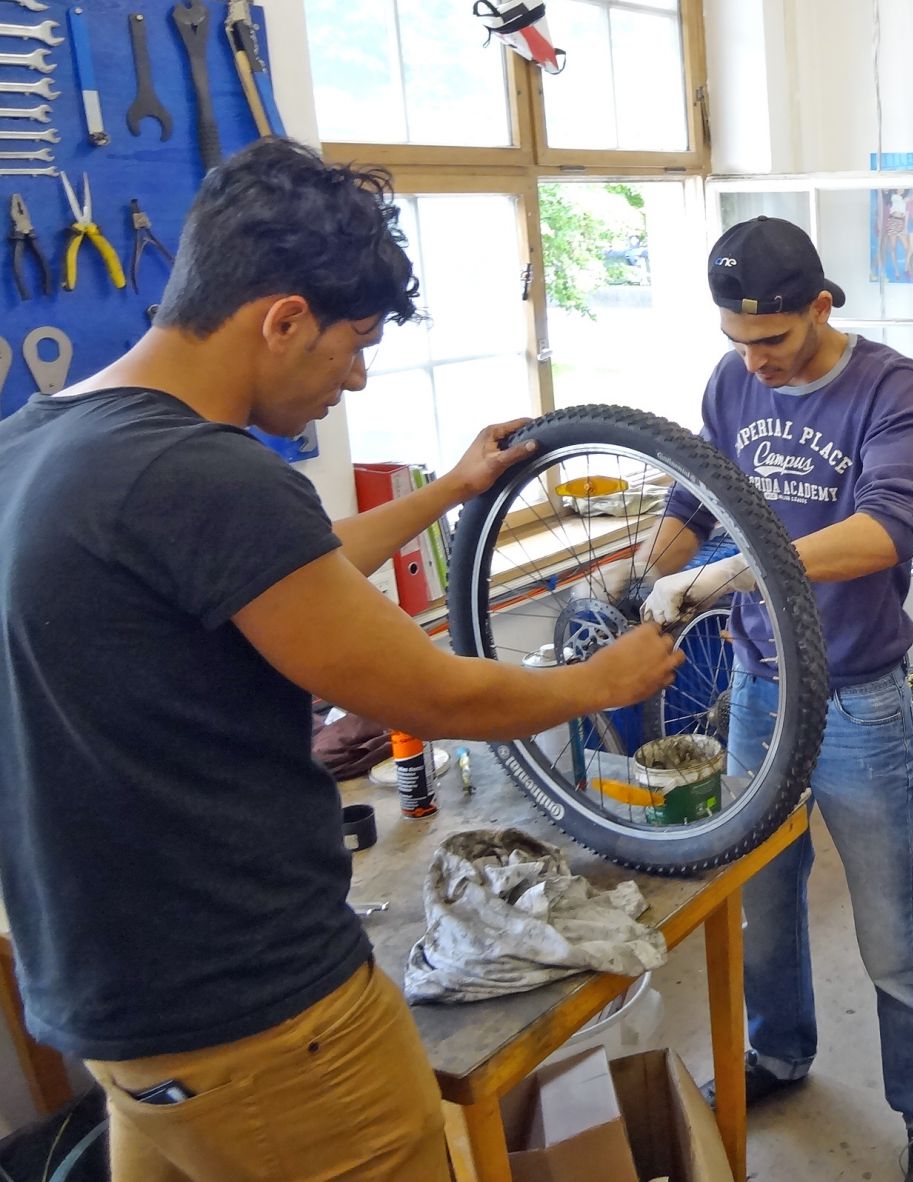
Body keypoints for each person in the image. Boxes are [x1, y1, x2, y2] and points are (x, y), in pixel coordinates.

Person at [0, 138, 684, 1182]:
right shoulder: (202, 473)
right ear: (281, 319)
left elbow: (272, 577)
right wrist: (604, 682)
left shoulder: (42, 444)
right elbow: (430, 690)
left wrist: (448, 492)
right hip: (268, 1020)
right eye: (353, 343)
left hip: (125, 1024)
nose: (356, 375)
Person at [632, 216, 913, 1181]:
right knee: (765, 902)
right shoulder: (732, 380)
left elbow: (889, 527)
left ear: (822, 306)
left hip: (857, 693)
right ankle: (779, 1052)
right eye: (738, 341)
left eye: (772, 340)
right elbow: (697, 500)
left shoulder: (886, 383)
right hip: (756, 690)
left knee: (889, 920)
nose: (755, 362)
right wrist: (644, 576)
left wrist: (735, 574)